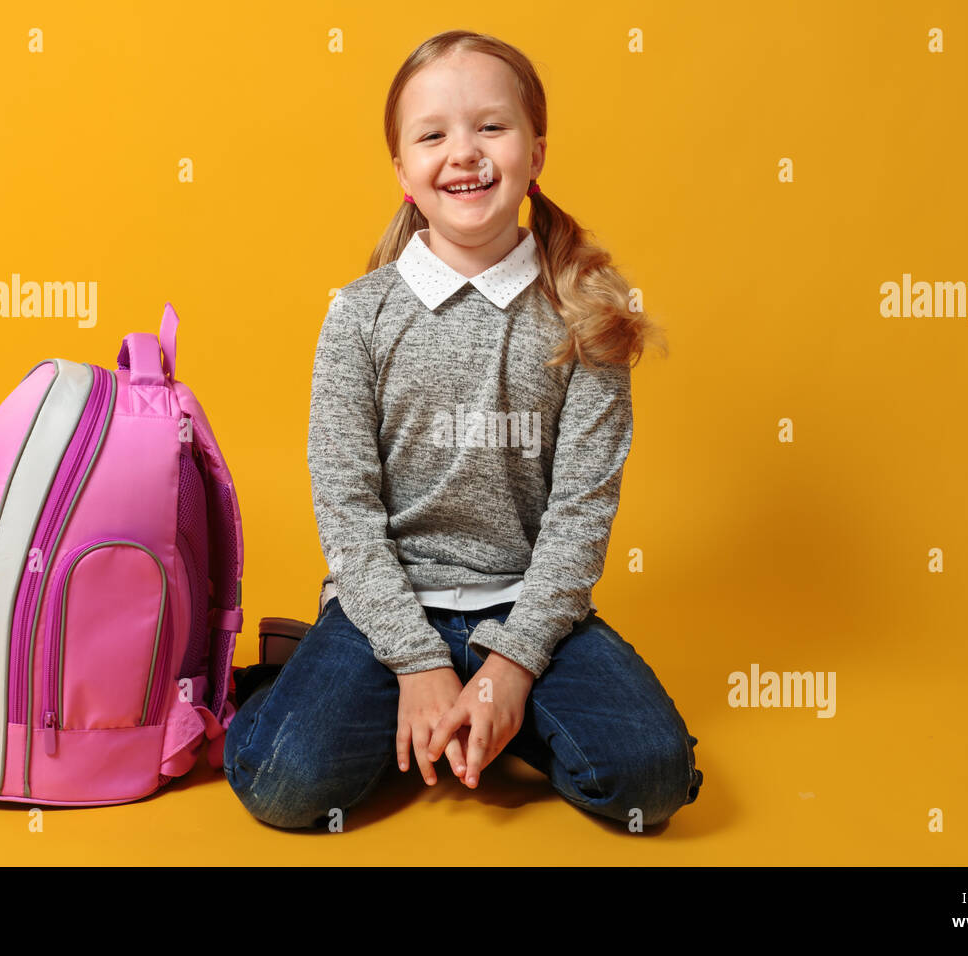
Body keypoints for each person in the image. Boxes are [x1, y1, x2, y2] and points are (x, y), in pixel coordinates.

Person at [224, 29, 702, 830]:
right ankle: (317, 679)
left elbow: (580, 515)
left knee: (652, 782)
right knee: (285, 785)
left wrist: (512, 667)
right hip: (386, 607)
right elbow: (346, 506)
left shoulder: (586, 318)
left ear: (536, 152)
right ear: (404, 172)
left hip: (527, 608)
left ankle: (486, 723)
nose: (465, 153)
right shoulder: (359, 318)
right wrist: (414, 661)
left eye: (491, 126)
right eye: (433, 134)